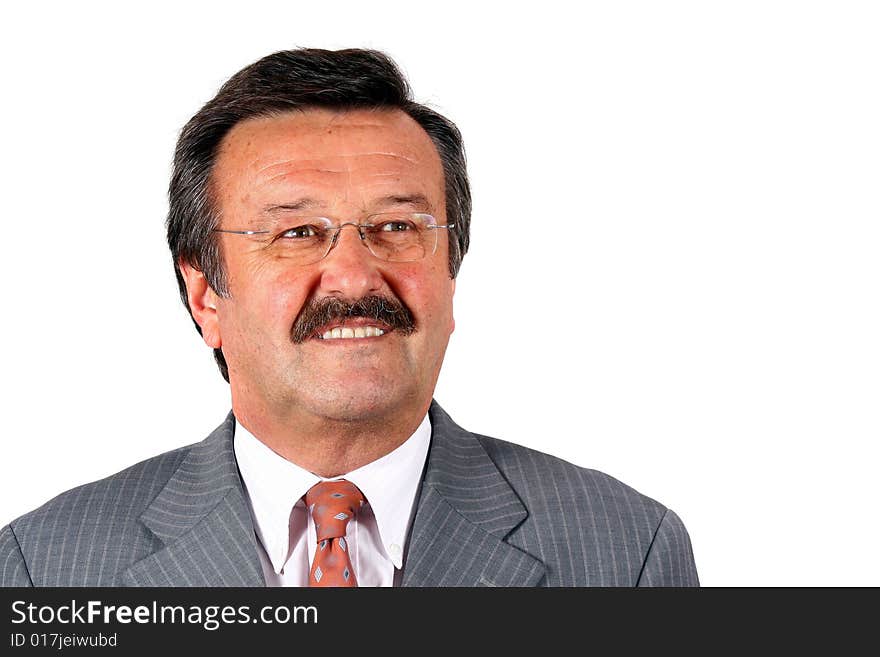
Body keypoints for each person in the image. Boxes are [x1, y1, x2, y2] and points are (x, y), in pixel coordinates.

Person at [0, 48, 698, 587]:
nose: (357, 275)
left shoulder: (624, 550)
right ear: (205, 294)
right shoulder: (46, 564)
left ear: (450, 270)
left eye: (397, 225)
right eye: (297, 233)